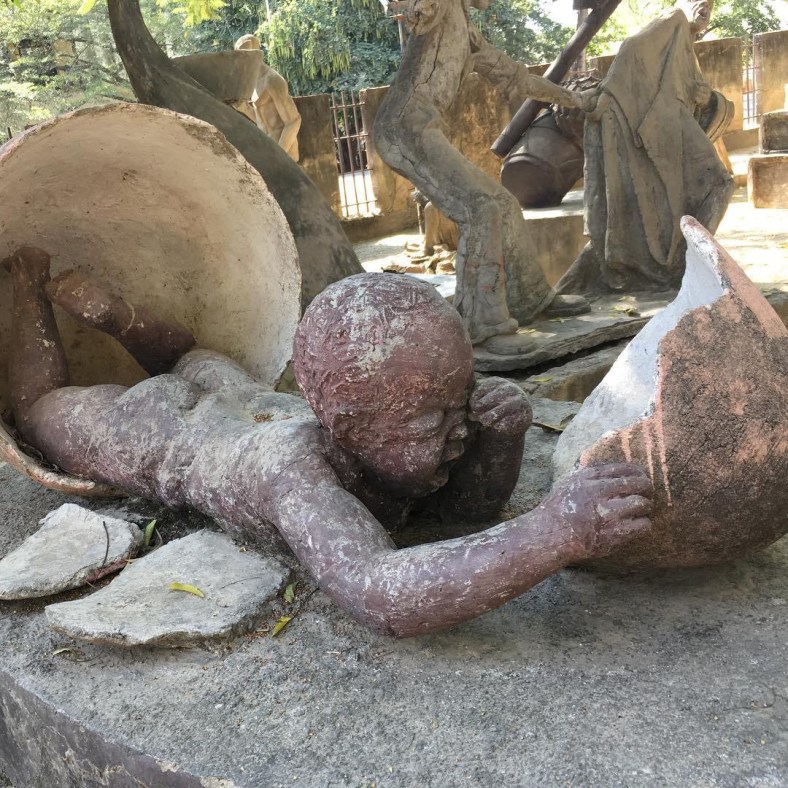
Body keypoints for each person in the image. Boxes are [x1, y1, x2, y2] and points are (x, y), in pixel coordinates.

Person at [2, 246, 652, 637]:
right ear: (346, 429)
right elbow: (380, 593)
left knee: (194, 357)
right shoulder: (296, 478)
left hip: (246, 398)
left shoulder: (387, 447)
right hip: (161, 430)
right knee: (37, 414)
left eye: (465, 399)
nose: (460, 431)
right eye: (432, 423)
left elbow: (464, 510)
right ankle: (27, 280)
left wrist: (500, 440)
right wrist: (553, 533)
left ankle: (122, 319)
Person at [373, 0, 593, 356]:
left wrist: (577, 100)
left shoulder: (471, 37)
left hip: (423, 129)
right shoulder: (438, 7)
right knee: (480, 209)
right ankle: (482, 326)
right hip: (403, 129)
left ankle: (530, 299)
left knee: (504, 203)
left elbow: (523, 82)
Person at [556, 0, 735, 294]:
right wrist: (610, 93)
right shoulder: (674, 19)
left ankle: (686, 264)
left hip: (672, 126)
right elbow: (632, 47)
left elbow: (689, 91)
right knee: (719, 183)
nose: (704, 7)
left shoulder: (685, 42)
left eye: (709, 5)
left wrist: (704, 97)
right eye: (697, 1)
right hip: (658, 124)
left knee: (713, 187)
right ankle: (684, 266)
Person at [233, 34, 301, 161]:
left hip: (284, 153)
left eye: (245, 55)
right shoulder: (253, 82)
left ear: (256, 54)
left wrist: (279, 155)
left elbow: (293, 122)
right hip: (268, 149)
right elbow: (263, 121)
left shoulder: (272, 80)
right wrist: (244, 108)